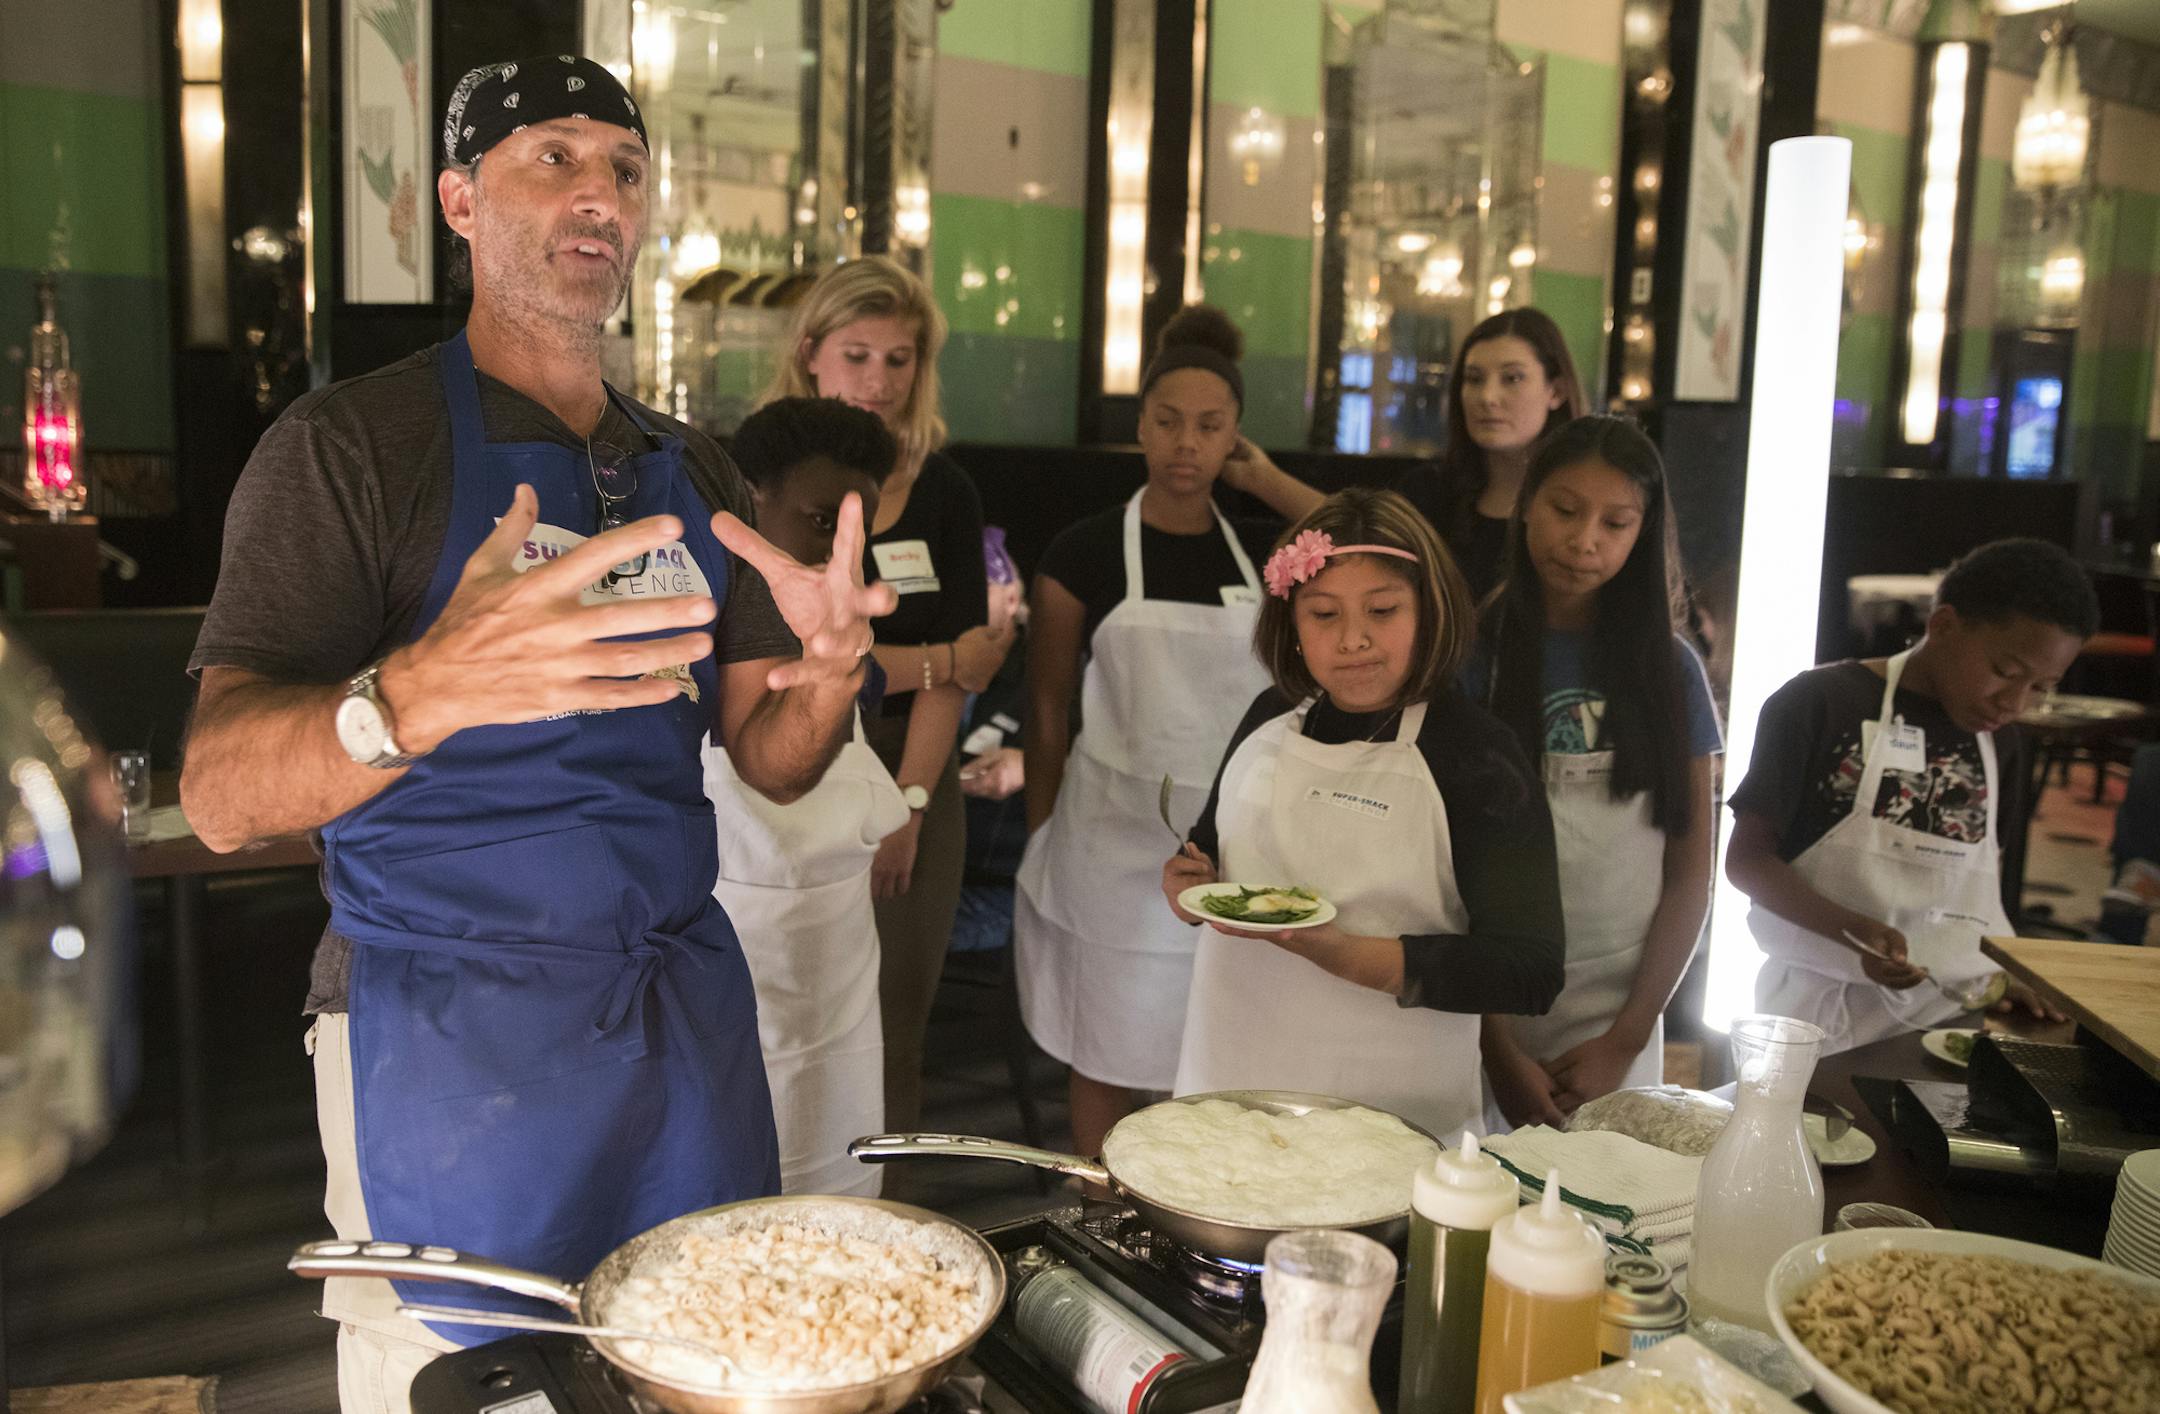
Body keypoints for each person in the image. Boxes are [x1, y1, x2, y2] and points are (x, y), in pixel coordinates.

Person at [178, 58, 890, 1412]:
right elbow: (219, 791)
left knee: (698, 1353)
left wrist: (831, 678)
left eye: (622, 167)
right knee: (460, 1375)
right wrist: (425, 686)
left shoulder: (695, 471)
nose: (597, 195)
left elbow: (769, 756)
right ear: (456, 199)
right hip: (451, 1031)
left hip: (675, 1015)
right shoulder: (352, 450)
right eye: (550, 159)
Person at [1162, 488, 1565, 1140]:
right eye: (1323, 614)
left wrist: (1349, 956)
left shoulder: (1475, 753)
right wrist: (1183, 881)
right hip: (1229, 1081)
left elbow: (1530, 970)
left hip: (1394, 1115)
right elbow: (1207, 854)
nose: (1353, 639)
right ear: (1290, 621)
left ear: (1428, 612)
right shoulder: (1269, 719)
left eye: (1382, 610)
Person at [1016, 305, 1281, 1157]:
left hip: (1224, 847)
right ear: (1141, 427)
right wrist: (1046, 829)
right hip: (1106, 841)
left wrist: (1268, 483)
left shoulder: (1268, 562)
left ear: (1236, 439)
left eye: (1210, 428)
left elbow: (1357, 530)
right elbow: (1049, 705)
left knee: (1202, 1053)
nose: (1186, 444)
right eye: (1168, 422)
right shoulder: (1082, 551)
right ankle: (1099, 1213)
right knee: (1103, 1045)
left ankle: (1179, 1219)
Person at [760, 257, 1008, 1131]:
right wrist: (937, 656)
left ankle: (883, 1228)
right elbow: (786, 653)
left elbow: (967, 674)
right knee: (769, 1026)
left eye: (899, 360)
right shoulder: (763, 471)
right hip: (778, 770)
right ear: (812, 353)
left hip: (914, 779)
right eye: (858, 355)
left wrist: (908, 804)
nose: (878, 381)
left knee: (890, 1033)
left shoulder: (946, 490)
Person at [1726, 538, 2093, 1056]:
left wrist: (2004, 975)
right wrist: (1852, 931)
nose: (2014, 702)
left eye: (2041, 687)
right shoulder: (1820, 703)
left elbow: (1974, 896)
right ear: (1942, 626)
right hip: (1814, 1019)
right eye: (2005, 672)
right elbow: (1748, 862)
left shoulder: (2000, 745)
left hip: (1954, 1022)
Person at [1465, 418, 1722, 1128]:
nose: (1585, 542)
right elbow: (1442, 870)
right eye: (1565, 510)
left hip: (1619, 1015)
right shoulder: (1474, 658)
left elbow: (1689, 872)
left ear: (1645, 532)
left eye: (1616, 522)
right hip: (1486, 1007)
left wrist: (1627, 1038)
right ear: (1526, 505)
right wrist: (1495, 1047)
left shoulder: (1673, 673)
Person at [703, 397, 907, 1198]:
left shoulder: (843, 627)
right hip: (738, 955)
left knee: (841, 1168)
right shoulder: (704, 622)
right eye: (821, 521)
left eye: (859, 530)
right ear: (754, 500)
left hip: (840, 961)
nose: (841, 554)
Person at [1199, 308, 1587, 603]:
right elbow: (1359, 535)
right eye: (1473, 379)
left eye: (1512, 378)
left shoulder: (1584, 503)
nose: (1487, 397)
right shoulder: (1435, 491)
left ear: (1556, 390)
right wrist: (1260, 478)